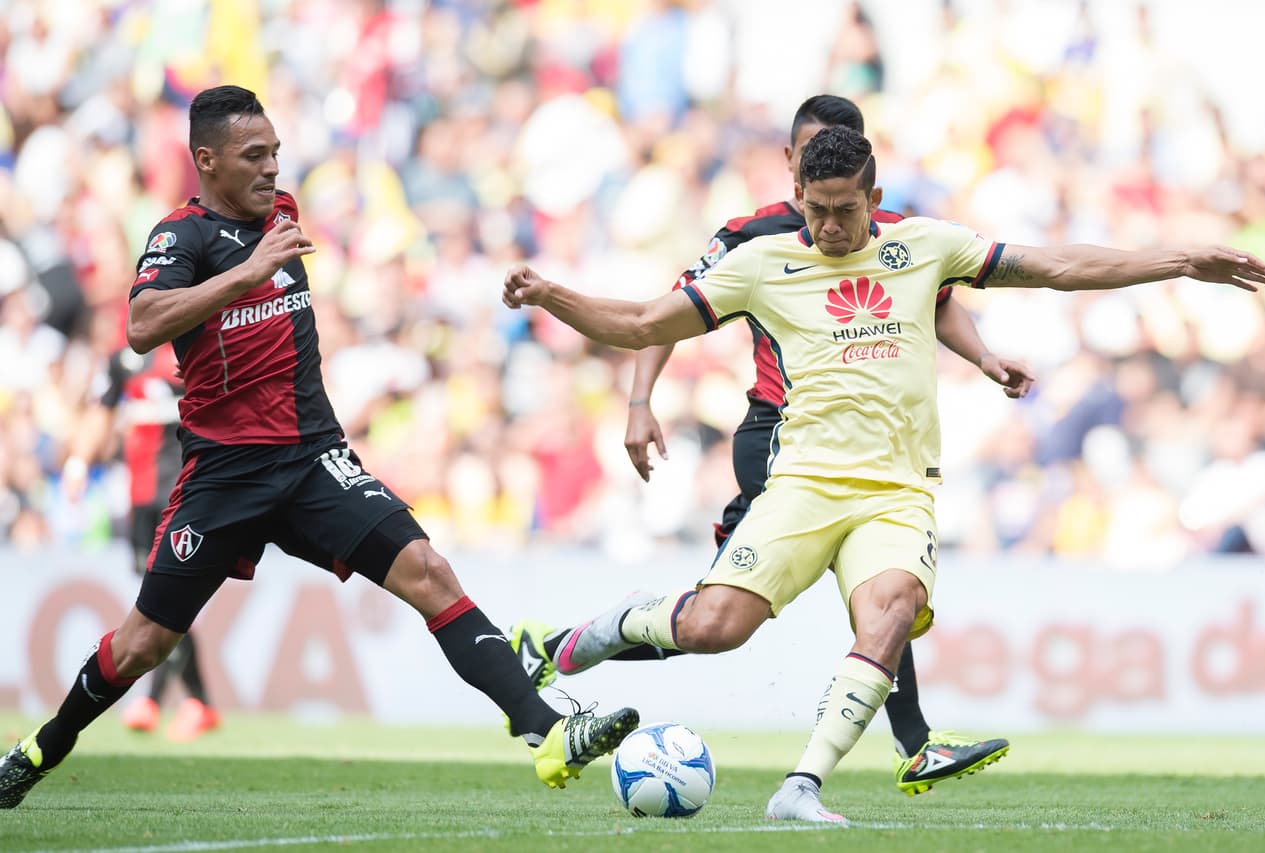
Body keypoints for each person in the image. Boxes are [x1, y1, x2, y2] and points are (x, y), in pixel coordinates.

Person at [499, 125, 1265, 822]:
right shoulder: (759, 261)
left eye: (846, 210)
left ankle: (801, 785)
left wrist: (1178, 260)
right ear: (797, 195)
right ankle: (605, 627)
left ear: (874, 197)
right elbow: (639, 322)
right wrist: (550, 294)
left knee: (893, 610)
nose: (831, 227)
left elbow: (1059, 265)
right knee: (714, 628)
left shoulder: (925, 245)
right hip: (801, 483)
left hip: (898, 491)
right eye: (818, 210)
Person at [0, 85, 639, 810]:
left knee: (428, 570)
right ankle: (41, 746)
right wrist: (245, 273)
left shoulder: (282, 214)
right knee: (145, 642)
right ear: (206, 161)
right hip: (224, 473)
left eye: (275, 151)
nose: (272, 168)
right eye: (253, 155)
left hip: (311, 460)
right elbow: (144, 325)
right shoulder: (180, 238)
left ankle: (548, 730)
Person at [509, 94, 1026, 797]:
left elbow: (936, 304)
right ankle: (568, 643)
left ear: (866, 172)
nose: (829, 206)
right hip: (781, 439)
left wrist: (988, 359)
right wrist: (638, 401)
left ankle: (909, 742)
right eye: (811, 165)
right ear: (791, 165)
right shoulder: (755, 239)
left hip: (861, 450)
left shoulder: (892, 234)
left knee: (869, 599)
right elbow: (661, 313)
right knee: (721, 617)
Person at [63, 345, 219, 742]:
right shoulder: (123, 361)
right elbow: (103, 409)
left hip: (181, 492)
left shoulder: (192, 349)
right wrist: (79, 463)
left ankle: (154, 702)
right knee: (159, 599)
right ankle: (196, 703)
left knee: (164, 599)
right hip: (140, 497)